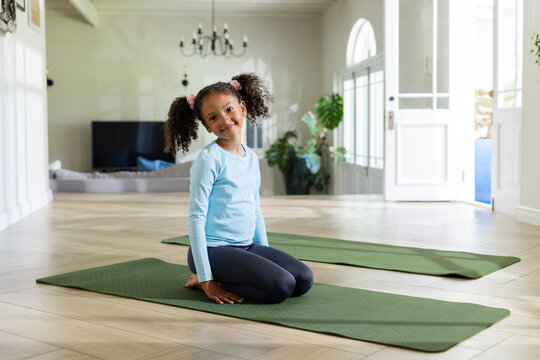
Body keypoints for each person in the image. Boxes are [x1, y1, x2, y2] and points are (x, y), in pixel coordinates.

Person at [164, 73, 313, 304]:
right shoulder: (208, 160)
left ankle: (229, 277)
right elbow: (195, 218)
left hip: (247, 246)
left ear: (242, 108)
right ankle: (211, 279)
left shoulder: (251, 158)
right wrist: (207, 280)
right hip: (214, 249)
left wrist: (266, 260)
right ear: (207, 126)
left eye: (229, 109)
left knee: (303, 279)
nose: (224, 120)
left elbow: (255, 210)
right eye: (214, 117)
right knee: (282, 286)